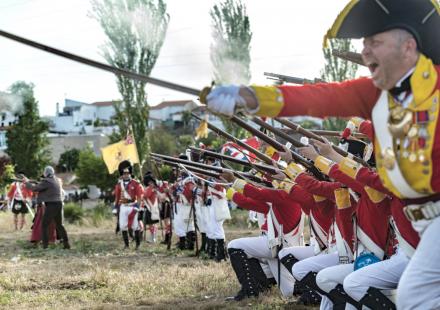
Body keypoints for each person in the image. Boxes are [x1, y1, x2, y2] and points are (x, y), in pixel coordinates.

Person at [206, 1, 440, 308]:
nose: (366, 51)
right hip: (423, 225)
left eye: (375, 42)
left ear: (409, 47)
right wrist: (248, 96)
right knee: (415, 297)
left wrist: (335, 151)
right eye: (365, 43)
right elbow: (321, 96)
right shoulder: (382, 93)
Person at [24, 166, 70, 249]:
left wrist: (27, 182)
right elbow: (44, 186)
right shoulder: (57, 180)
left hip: (51, 205)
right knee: (59, 225)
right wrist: (33, 181)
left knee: (44, 225)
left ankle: (45, 245)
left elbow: (35, 188)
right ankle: (66, 244)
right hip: (58, 204)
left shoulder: (47, 181)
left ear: (46, 173)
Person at [114, 160, 143, 249]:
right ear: (122, 174)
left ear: (130, 173)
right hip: (123, 207)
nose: (126, 174)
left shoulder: (136, 183)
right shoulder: (119, 185)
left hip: (132, 206)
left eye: (127, 173)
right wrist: (116, 208)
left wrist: (138, 206)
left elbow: (139, 196)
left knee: (135, 226)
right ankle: (126, 245)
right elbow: (117, 197)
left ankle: (138, 244)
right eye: (124, 173)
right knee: (123, 226)